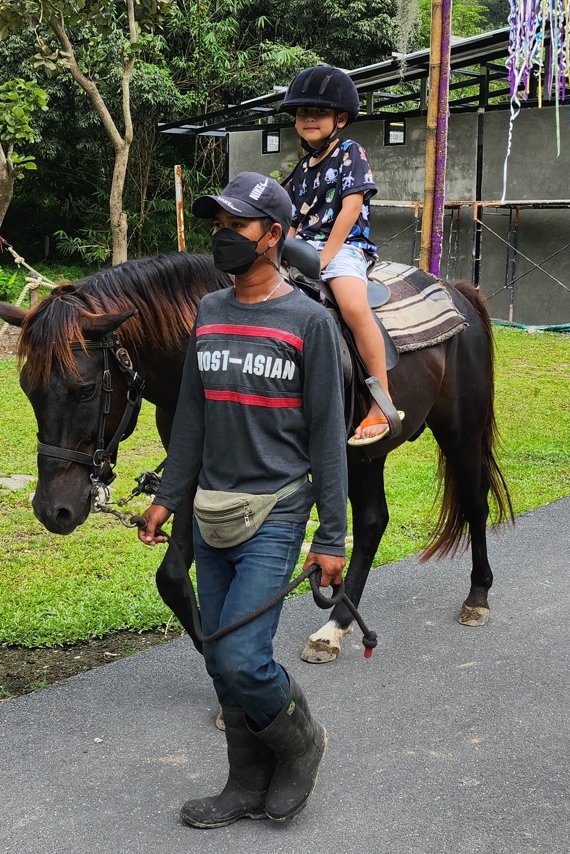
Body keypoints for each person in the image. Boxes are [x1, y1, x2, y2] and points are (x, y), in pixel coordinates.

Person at [138, 172, 348, 827]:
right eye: (218, 225)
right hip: (211, 510)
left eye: (237, 226)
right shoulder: (209, 311)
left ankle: (301, 744)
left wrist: (331, 537)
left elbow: (326, 438)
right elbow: (193, 418)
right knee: (219, 662)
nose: (222, 237)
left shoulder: (309, 322)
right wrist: (167, 497)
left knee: (240, 656)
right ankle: (241, 784)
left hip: (277, 511)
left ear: (274, 236)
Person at [282, 64, 403, 446]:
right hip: (302, 248)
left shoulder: (351, 152)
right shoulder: (302, 168)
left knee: (351, 305)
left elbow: (350, 208)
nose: (309, 118)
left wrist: (324, 259)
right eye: (303, 112)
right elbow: (290, 221)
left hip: (345, 247)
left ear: (341, 118)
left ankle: (381, 400)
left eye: (318, 112)